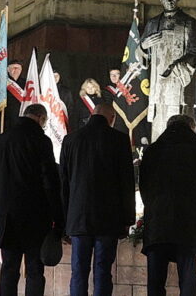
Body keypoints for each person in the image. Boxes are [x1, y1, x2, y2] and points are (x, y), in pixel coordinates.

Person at [59, 102, 136, 296]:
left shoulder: (71, 140)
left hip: (78, 217)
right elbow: (126, 183)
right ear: (112, 118)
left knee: (78, 271)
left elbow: (63, 184)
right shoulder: (119, 140)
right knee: (103, 270)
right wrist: (128, 220)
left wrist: (64, 221)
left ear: (92, 115)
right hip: (108, 219)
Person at [0, 104, 63, 296]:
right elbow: (50, 181)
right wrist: (58, 218)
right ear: (41, 118)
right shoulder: (41, 140)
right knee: (35, 271)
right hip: (35, 216)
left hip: (7, 215)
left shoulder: (0, 140)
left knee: (9, 269)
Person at [139, 115, 196, 296]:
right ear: (192, 127)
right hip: (187, 220)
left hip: (158, 221)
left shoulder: (153, 150)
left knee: (155, 279)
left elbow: (144, 185)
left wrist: (152, 207)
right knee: (188, 275)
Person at [140, 0, 196, 141]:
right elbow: (140, 54)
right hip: (158, 85)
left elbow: (194, 51)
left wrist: (178, 66)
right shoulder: (153, 23)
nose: (169, 0)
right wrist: (143, 46)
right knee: (159, 126)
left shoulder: (188, 22)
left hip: (178, 82)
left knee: (179, 124)